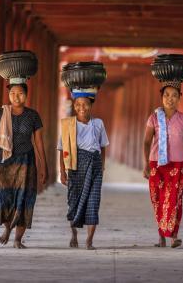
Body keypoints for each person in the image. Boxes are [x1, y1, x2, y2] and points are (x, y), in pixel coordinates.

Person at [0, 83, 48, 249]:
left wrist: (44, 166)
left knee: (25, 199)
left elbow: (39, 142)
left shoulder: (33, 116)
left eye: (20, 93)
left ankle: (17, 239)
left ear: (26, 95)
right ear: (9, 95)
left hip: (26, 162)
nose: (16, 96)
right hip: (5, 162)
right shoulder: (1, 113)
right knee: (3, 198)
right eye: (12, 93)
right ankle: (7, 228)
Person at [143, 82, 183, 248]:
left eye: (174, 95)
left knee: (174, 201)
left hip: (177, 165)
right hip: (156, 164)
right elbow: (146, 141)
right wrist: (145, 164)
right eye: (166, 95)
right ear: (161, 98)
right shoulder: (153, 118)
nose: (170, 99)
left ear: (180, 98)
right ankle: (161, 235)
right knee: (157, 200)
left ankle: (173, 236)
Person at [57, 89, 109, 250]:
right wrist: (62, 171)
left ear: (91, 105)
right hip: (75, 165)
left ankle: (89, 240)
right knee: (74, 202)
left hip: (94, 166)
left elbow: (102, 146)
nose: (81, 107)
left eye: (85, 104)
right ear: (74, 105)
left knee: (93, 202)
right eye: (78, 104)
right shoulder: (68, 125)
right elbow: (62, 149)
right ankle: (74, 235)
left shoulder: (98, 123)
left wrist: (101, 165)